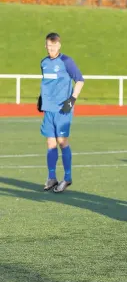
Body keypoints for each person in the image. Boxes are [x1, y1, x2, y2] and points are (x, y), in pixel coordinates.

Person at [38, 32, 85, 193]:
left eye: (54, 46)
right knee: (50, 143)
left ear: (59, 45)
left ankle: (67, 177)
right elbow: (46, 83)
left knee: (62, 141)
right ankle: (51, 177)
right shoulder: (44, 62)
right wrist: (40, 98)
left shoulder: (66, 61)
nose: (51, 48)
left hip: (63, 109)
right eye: (48, 46)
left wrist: (72, 99)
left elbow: (79, 80)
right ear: (45, 46)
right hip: (49, 109)